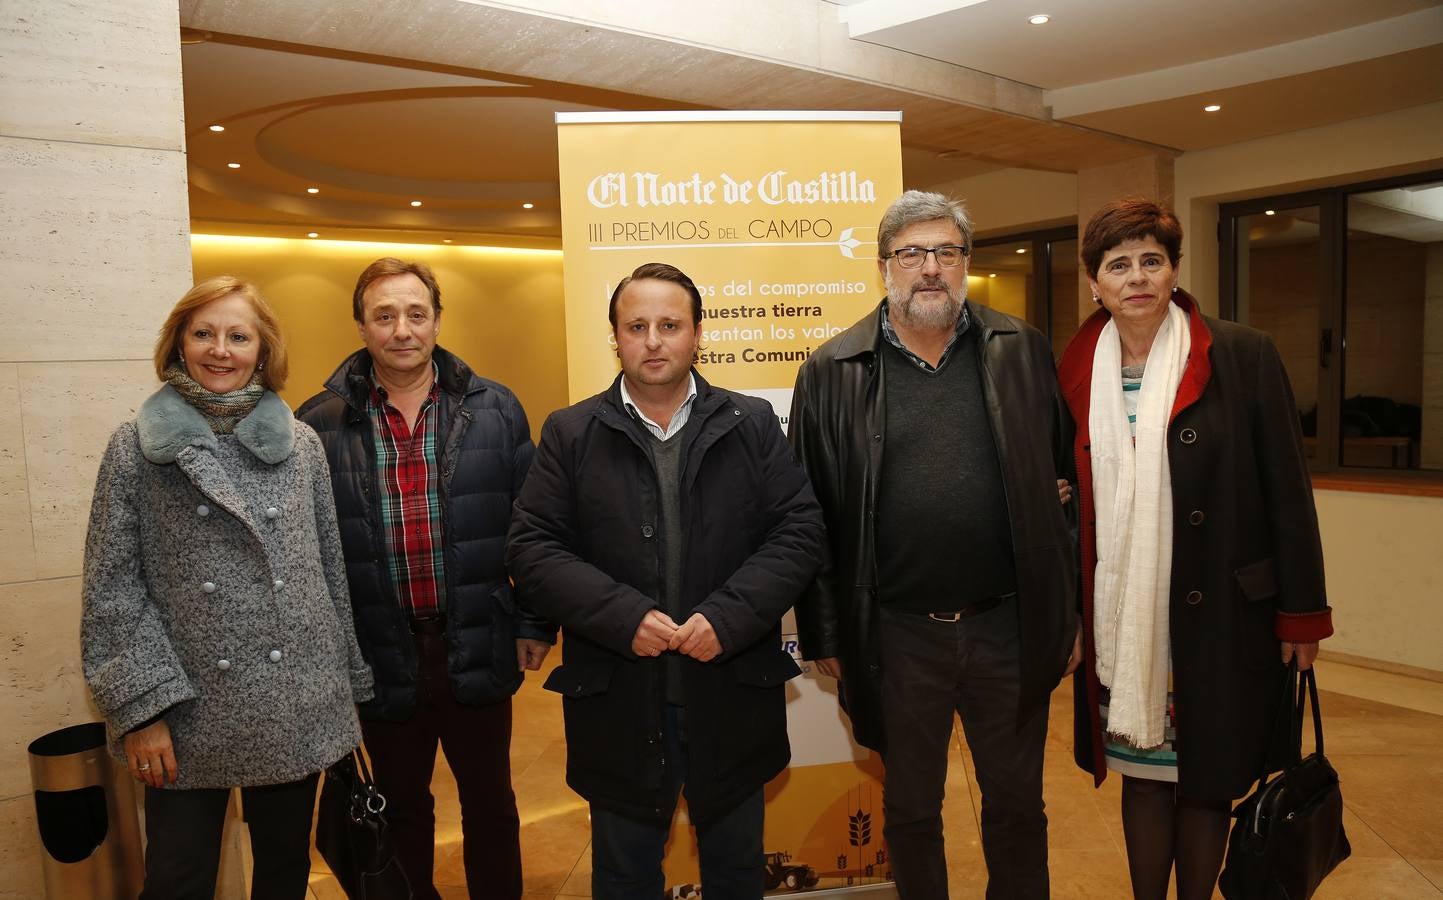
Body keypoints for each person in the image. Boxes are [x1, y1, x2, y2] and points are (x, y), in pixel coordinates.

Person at [788, 191, 1079, 899]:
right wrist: (825, 628)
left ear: (965, 263)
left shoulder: (1020, 349)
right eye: (911, 253)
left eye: (945, 252)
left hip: (1005, 627)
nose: (929, 269)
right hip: (893, 636)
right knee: (912, 811)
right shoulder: (832, 370)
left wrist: (1062, 613)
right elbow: (808, 515)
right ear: (883, 265)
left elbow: (1062, 494)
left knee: (1015, 808)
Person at [506, 262, 826, 900]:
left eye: (670, 325)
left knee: (736, 871)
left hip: (731, 691)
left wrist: (729, 619)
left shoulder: (752, 421)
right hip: (619, 698)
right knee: (624, 875)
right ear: (616, 338)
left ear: (697, 335)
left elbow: (799, 533)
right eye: (637, 326)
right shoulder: (571, 433)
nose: (654, 341)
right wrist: (624, 618)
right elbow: (533, 547)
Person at [1056, 198, 1333, 900]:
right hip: (1126, 621)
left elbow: (1287, 495)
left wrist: (1301, 616)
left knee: (1205, 783)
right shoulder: (1074, 372)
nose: (1136, 276)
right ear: (1094, 283)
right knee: (1144, 778)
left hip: (1221, 619)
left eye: (1151, 260)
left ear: (1173, 271)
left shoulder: (1240, 353)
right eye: (1118, 265)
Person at [80, 276, 373, 899]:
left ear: (262, 351)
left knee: (283, 874)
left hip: (292, 704)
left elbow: (326, 576)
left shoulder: (301, 447)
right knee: (178, 878)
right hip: (183, 714)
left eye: (239, 336)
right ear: (179, 344)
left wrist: (343, 691)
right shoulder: (134, 450)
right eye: (204, 333)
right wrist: (143, 712)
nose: (221, 350)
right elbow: (111, 591)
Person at [296, 258, 546, 900]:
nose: (401, 329)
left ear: (436, 320)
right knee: (400, 809)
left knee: (491, 803)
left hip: (478, 637)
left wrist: (534, 622)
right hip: (379, 649)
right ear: (360, 325)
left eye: (415, 313)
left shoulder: (496, 408)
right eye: (384, 315)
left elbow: (536, 529)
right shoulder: (317, 423)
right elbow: (309, 556)